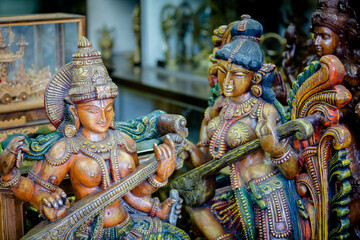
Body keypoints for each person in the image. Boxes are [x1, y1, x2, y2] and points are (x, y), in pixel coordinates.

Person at [0, 37, 190, 239]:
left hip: (128, 226)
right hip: (86, 232)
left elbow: (132, 194)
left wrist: (160, 177)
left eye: (109, 108)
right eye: (92, 110)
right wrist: (15, 180)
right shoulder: (66, 149)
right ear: (74, 111)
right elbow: (34, 191)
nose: (103, 117)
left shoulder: (124, 142)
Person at [186, 15, 302, 240]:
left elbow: (292, 171)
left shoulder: (264, 111)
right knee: (193, 208)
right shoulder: (217, 108)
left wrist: (276, 149)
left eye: (238, 74)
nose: (227, 81)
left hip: (266, 192)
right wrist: (196, 156)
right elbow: (210, 155)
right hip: (235, 189)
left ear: (254, 78)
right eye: (222, 71)